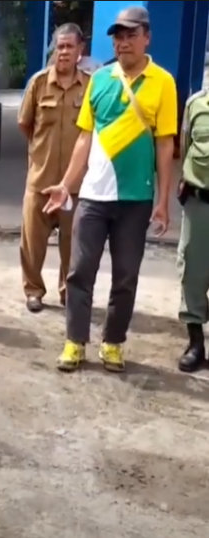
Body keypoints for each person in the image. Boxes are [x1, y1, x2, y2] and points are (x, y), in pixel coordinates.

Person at [42, 6, 177, 372]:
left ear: (147, 37)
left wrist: (163, 202)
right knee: (79, 272)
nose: (123, 42)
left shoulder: (163, 82)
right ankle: (75, 342)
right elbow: (85, 138)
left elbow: (166, 145)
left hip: (135, 199)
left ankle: (113, 343)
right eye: (117, 36)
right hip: (93, 197)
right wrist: (66, 187)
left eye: (131, 34)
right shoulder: (99, 80)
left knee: (126, 276)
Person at [17, 23, 91, 313]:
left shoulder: (89, 85)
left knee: (73, 244)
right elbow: (25, 124)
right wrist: (40, 152)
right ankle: (33, 290)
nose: (63, 53)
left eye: (69, 47)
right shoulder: (37, 83)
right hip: (40, 179)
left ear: (80, 51)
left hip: (75, 184)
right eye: (59, 47)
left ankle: (68, 291)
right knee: (32, 242)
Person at [176, 81, 208, 372]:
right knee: (192, 272)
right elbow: (185, 145)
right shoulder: (195, 104)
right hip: (200, 202)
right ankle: (196, 343)